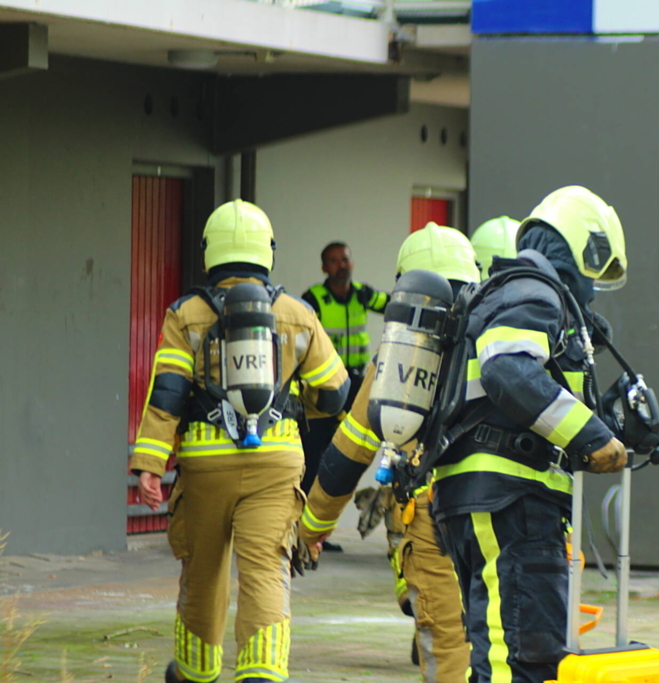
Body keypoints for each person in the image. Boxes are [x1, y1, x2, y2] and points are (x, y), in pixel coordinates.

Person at [130, 199, 350, 683]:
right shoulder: (297, 312)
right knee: (267, 571)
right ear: (266, 250)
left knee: (202, 572)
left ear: (211, 251)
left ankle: (194, 670)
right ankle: (262, 671)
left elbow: (167, 391)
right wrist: (293, 407)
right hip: (276, 463)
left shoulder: (185, 314)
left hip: (206, 463)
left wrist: (150, 461)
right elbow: (335, 393)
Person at [432, 186, 629, 683]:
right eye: (594, 275)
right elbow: (507, 370)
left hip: (487, 499)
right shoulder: (534, 292)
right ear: (582, 250)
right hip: (511, 501)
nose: (592, 291)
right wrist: (590, 436)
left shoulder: (506, 293)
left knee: (500, 650)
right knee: (522, 657)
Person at [299, 223, 478, 683]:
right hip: (507, 507)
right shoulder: (507, 337)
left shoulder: (401, 353)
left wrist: (311, 527)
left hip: (432, 509)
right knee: (505, 631)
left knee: (446, 641)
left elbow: (353, 448)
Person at [299, 242, 389, 545]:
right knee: (315, 457)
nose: (342, 265)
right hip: (325, 389)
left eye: (346, 260)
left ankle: (324, 530)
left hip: (357, 387)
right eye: (334, 261)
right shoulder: (314, 299)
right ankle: (306, 528)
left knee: (349, 456)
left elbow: (394, 306)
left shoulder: (362, 294)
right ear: (325, 268)